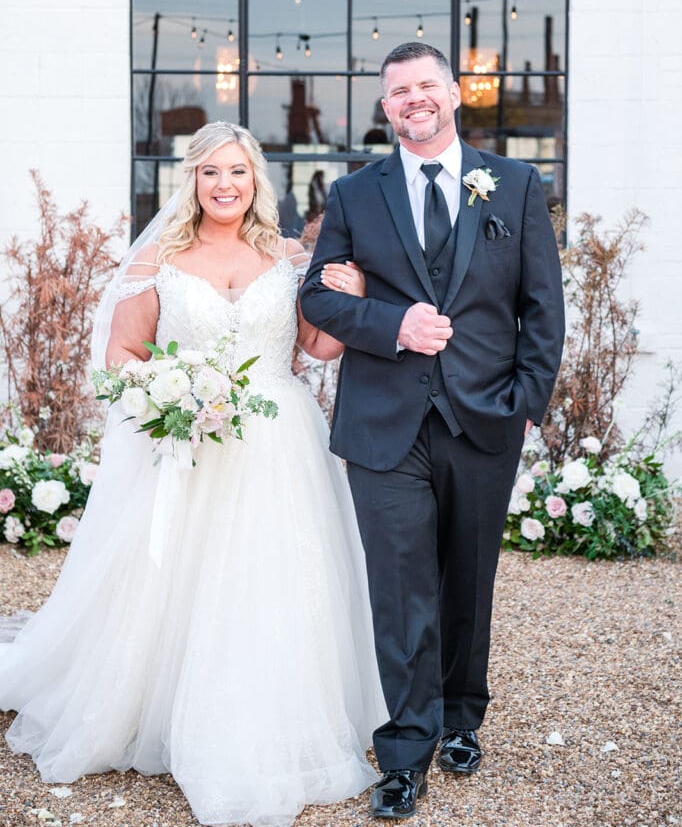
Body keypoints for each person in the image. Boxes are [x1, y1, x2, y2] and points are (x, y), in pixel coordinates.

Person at [0, 122, 387, 827]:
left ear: (256, 181)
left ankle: (272, 717)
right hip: (193, 442)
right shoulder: (161, 258)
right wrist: (180, 388)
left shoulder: (289, 255)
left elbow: (317, 347)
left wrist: (352, 292)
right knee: (182, 579)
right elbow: (123, 355)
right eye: (211, 173)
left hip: (281, 441)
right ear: (193, 182)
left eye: (237, 172)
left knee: (277, 578)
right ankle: (160, 708)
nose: (225, 185)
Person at [300, 42, 565, 820]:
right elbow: (319, 300)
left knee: (467, 579)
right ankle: (405, 751)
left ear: (453, 94)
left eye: (425, 86)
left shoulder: (513, 185)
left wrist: (525, 399)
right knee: (400, 589)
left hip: (486, 416)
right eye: (397, 92)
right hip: (383, 422)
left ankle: (461, 715)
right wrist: (393, 323)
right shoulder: (353, 194)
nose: (412, 100)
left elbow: (542, 305)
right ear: (385, 109)